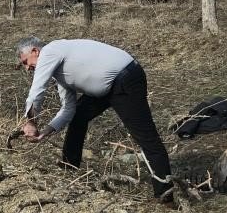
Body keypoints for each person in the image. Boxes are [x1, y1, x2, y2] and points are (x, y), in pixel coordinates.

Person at [16, 36, 173, 199]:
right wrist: (45, 131)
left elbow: (37, 91)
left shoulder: (49, 51)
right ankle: (69, 171)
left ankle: (165, 195)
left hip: (126, 78)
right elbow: (68, 110)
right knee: (78, 116)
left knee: (146, 137)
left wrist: (31, 122)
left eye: (26, 62)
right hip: (107, 86)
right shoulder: (59, 72)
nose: (27, 69)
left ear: (35, 51)